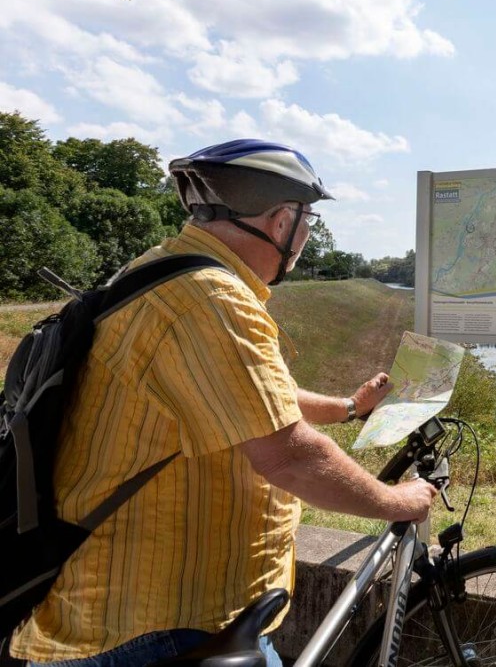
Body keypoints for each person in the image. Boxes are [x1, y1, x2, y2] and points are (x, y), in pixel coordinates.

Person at [9, 140, 437, 667]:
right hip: (160, 628)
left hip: (127, 610)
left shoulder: (162, 271)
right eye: (306, 221)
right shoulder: (212, 300)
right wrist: (401, 501)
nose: (305, 237)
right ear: (281, 221)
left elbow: (251, 397)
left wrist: (350, 407)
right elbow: (290, 456)